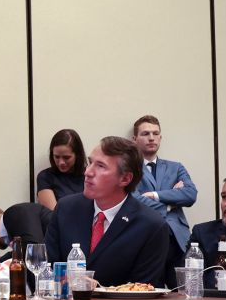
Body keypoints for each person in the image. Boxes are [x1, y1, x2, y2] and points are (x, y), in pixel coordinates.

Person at [43, 136, 170, 288]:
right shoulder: (66, 208)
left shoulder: (151, 225)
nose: (88, 172)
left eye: (101, 166)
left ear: (125, 179)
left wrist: (95, 289)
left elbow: (141, 291)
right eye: (90, 163)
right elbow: (47, 269)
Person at [130, 115, 197, 278]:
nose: (151, 138)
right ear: (134, 139)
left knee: (183, 293)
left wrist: (154, 195)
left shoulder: (176, 167)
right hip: (145, 238)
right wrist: (171, 203)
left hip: (178, 240)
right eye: (145, 134)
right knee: (150, 291)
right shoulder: (129, 169)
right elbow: (133, 200)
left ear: (160, 137)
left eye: (155, 133)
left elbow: (190, 194)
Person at [36, 129, 86, 210]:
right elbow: (53, 214)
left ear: (77, 155)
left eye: (66, 157)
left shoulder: (89, 175)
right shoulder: (45, 177)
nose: (61, 162)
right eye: (57, 157)